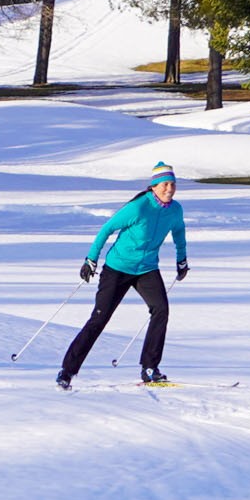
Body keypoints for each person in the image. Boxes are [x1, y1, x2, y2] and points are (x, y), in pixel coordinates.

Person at [56, 161, 187, 388]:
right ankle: (67, 370)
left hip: (146, 269)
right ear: (154, 186)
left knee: (161, 310)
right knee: (99, 319)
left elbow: (179, 232)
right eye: (165, 184)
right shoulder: (138, 207)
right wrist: (91, 259)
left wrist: (182, 259)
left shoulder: (175, 210)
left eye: (173, 184)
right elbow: (107, 229)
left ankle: (149, 367)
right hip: (117, 268)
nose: (169, 189)